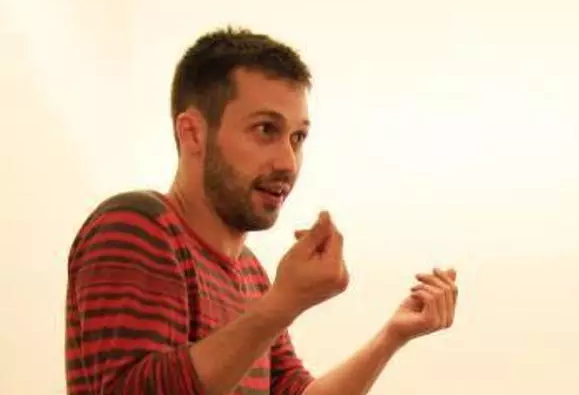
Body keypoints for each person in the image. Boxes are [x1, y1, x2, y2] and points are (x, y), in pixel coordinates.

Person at [64, 27, 459, 395]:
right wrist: (282, 304)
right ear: (193, 133)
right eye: (266, 129)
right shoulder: (136, 226)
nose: (288, 162)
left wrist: (392, 336)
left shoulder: (251, 274)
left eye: (297, 137)